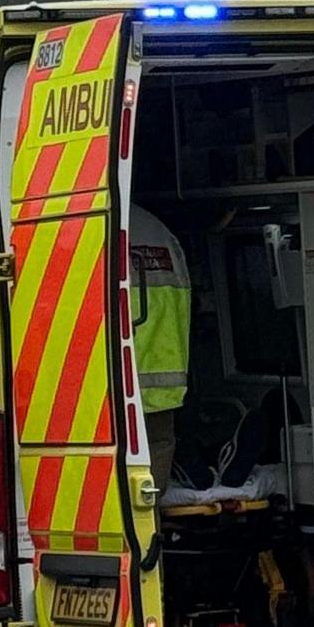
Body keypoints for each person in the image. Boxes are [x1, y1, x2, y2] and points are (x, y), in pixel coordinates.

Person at [127, 206, 193, 488]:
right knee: (150, 487)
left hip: (107, 386)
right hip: (163, 386)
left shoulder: (86, 223)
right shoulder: (160, 232)